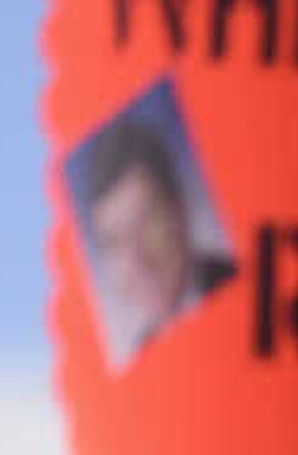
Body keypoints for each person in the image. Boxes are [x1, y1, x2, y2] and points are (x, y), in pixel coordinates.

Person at [76, 103, 236, 362]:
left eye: (145, 223)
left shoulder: (238, 284)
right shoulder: (141, 353)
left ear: (180, 210)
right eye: (113, 243)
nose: (135, 260)